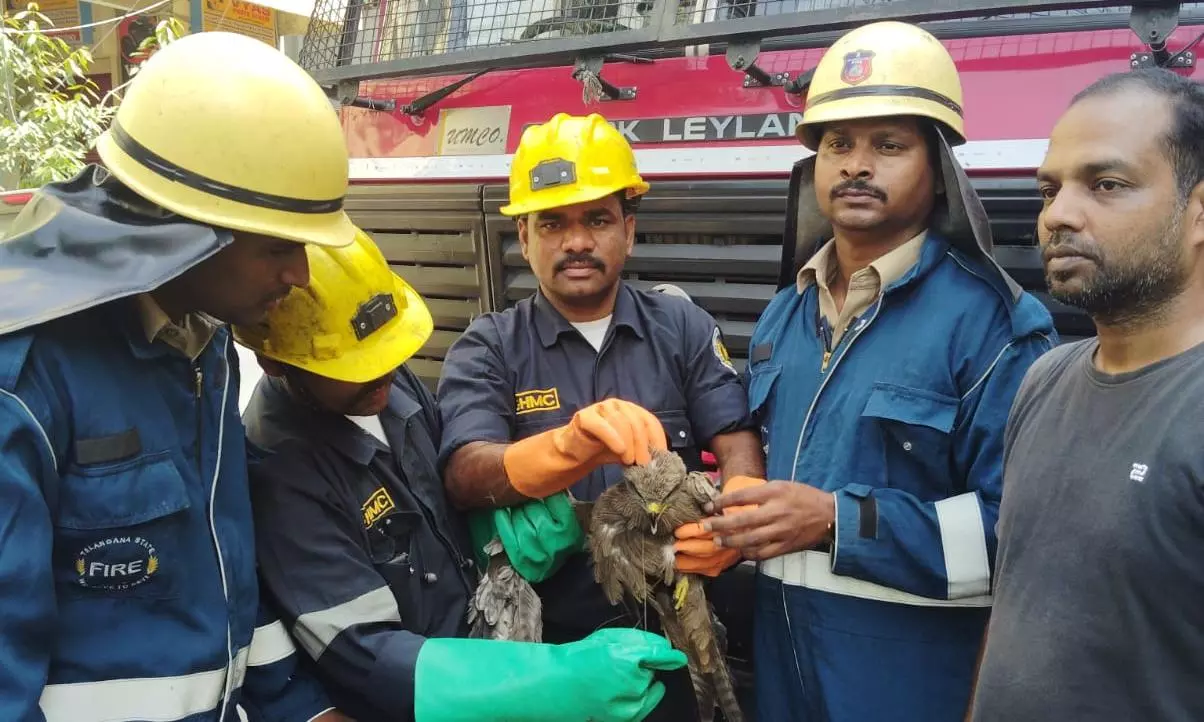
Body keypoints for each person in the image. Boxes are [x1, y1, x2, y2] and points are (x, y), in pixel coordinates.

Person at [694, 20, 1058, 722]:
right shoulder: (782, 318)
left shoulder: (993, 330)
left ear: (939, 168)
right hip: (780, 676)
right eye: (838, 144)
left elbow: (1021, 537)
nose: (856, 165)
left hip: (910, 687)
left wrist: (836, 522)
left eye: (888, 145)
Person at [0, 31, 355, 721]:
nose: (301, 276)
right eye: (279, 247)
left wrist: (302, 708)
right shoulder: (25, 385)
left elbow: (222, 580)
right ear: (187, 228)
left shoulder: (205, 345)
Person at [234, 228, 688, 722]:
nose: (383, 376)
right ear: (274, 362)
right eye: (359, 366)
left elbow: (441, 503)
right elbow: (364, 655)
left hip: (482, 651)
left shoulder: (391, 386)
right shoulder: (279, 470)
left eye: (389, 354)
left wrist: (493, 537)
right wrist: (553, 678)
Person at [435, 112, 765, 721]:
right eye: (552, 223)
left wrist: (737, 520)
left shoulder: (683, 328)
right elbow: (464, 471)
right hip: (554, 661)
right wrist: (568, 446)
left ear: (629, 232)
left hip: (679, 644)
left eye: (597, 219)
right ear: (525, 239)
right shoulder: (487, 347)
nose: (577, 241)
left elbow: (737, 433)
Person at [967, 68, 1204, 722]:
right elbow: (1014, 609)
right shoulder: (1044, 379)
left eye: (1107, 184)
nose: (1058, 215)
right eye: (1050, 188)